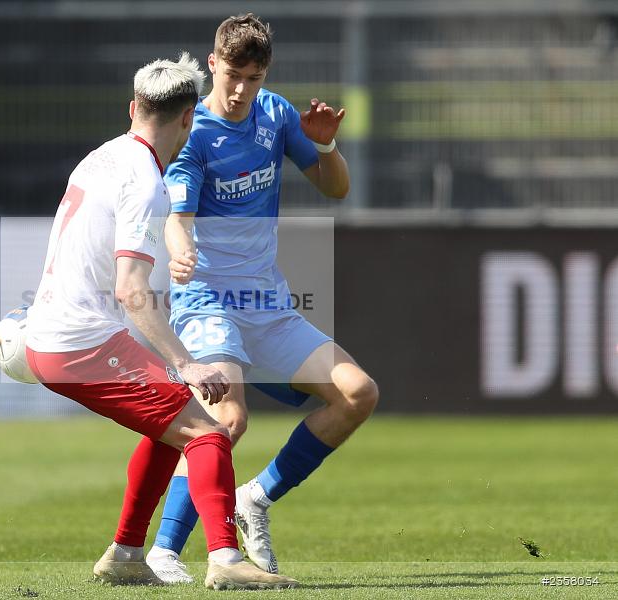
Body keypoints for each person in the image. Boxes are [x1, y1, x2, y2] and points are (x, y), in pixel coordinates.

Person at [24, 52, 298, 590]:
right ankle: (225, 559)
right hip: (81, 342)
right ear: (189, 118)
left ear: (133, 108)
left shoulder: (100, 157)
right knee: (209, 433)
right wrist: (187, 363)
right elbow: (131, 290)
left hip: (51, 333)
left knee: (171, 426)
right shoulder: (148, 183)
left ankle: (127, 554)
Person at [144, 15, 379, 583]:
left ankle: (256, 497)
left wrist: (325, 145)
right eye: (232, 76)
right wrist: (180, 251)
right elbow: (177, 217)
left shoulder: (274, 114)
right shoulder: (193, 130)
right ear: (212, 65)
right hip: (206, 300)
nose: (241, 90)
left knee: (358, 393)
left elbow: (336, 187)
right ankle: (164, 551)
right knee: (227, 418)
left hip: (266, 305)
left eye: (253, 78)